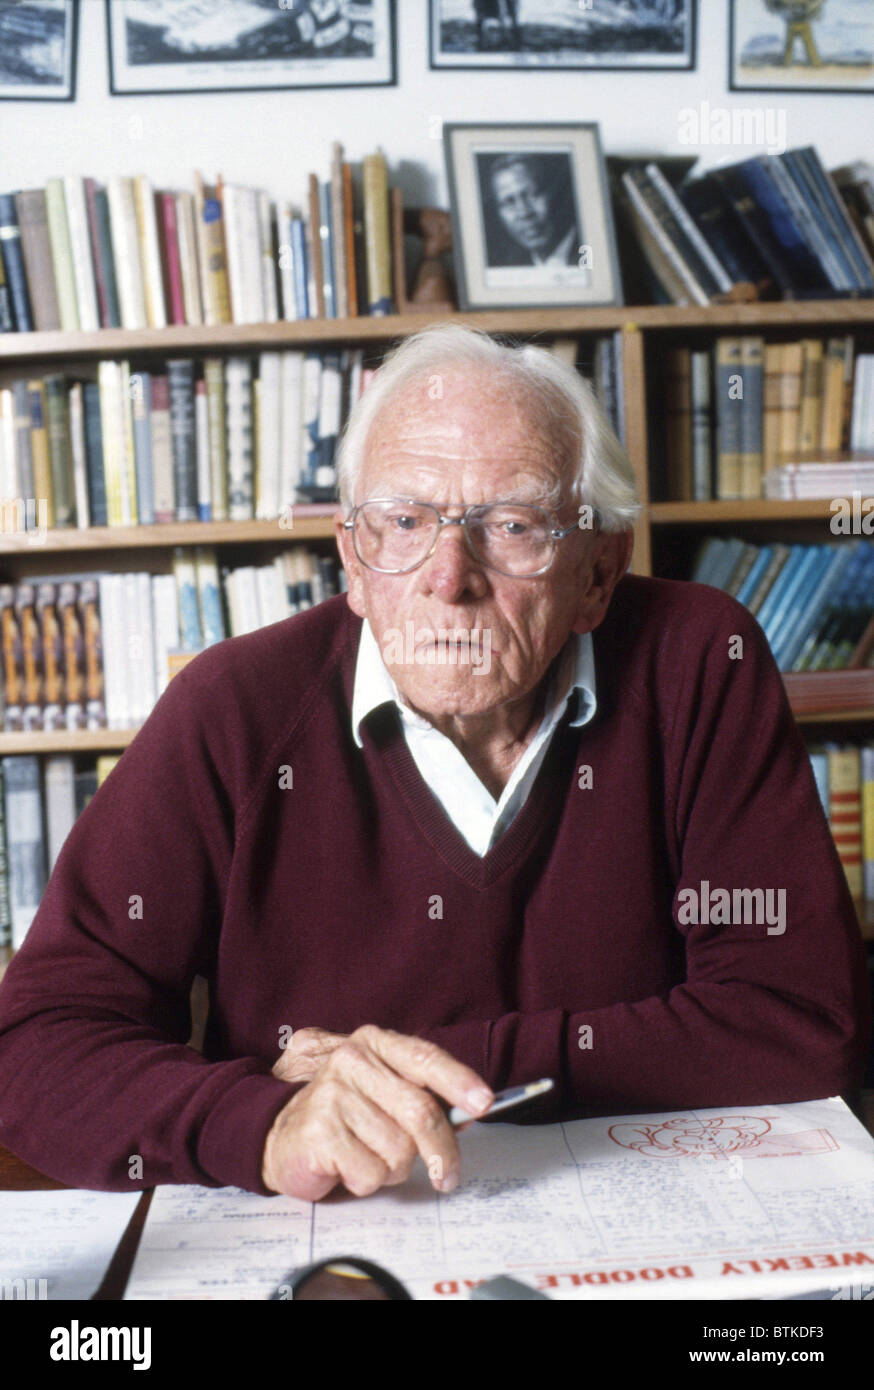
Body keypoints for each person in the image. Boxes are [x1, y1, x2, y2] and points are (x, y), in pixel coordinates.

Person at [0, 325, 868, 1204]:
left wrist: (418, 1066)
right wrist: (266, 1126)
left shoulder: (695, 661)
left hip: (643, 1229)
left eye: (513, 525)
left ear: (600, 570)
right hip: (343, 1243)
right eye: (405, 522)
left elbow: (799, 1023)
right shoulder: (235, 707)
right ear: (351, 558)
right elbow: (36, 1044)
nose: (449, 577)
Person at [486, 154, 579, 267]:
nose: (524, 212)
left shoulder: (590, 250)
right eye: (509, 202)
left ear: (554, 193)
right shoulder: (510, 266)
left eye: (532, 195)